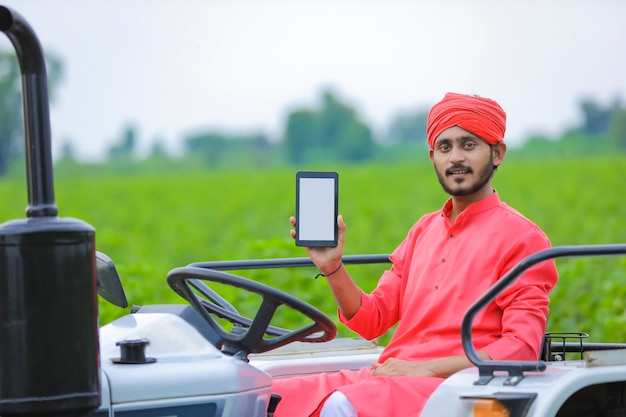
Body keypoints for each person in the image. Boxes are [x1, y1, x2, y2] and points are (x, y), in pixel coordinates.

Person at [271, 92, 559, 417]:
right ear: (432, 156)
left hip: (463, 385)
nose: (455, 158)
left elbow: (521, 347)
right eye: (445, 147)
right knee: (270, 396)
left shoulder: (523, 238)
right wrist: (333, 266)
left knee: (344, 405)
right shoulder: (422, 230)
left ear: (497, 154)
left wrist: (426, 369)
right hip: (395, 374)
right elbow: (372, 319)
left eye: (469, 144)